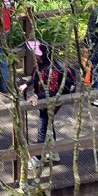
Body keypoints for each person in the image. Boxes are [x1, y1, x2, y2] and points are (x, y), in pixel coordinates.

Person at [19, 39, 74, 169]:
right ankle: (53, 152)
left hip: (53, 100)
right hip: (45, 99)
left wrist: (37, 95)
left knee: (42, 128)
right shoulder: (41, 64)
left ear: (41, 54)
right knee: (48, 123)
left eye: (35, 52)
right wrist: (26, 84)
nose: (33, 54)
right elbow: (35, 76)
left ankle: (37, 159)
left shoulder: (51, 69)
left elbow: (53, 91)